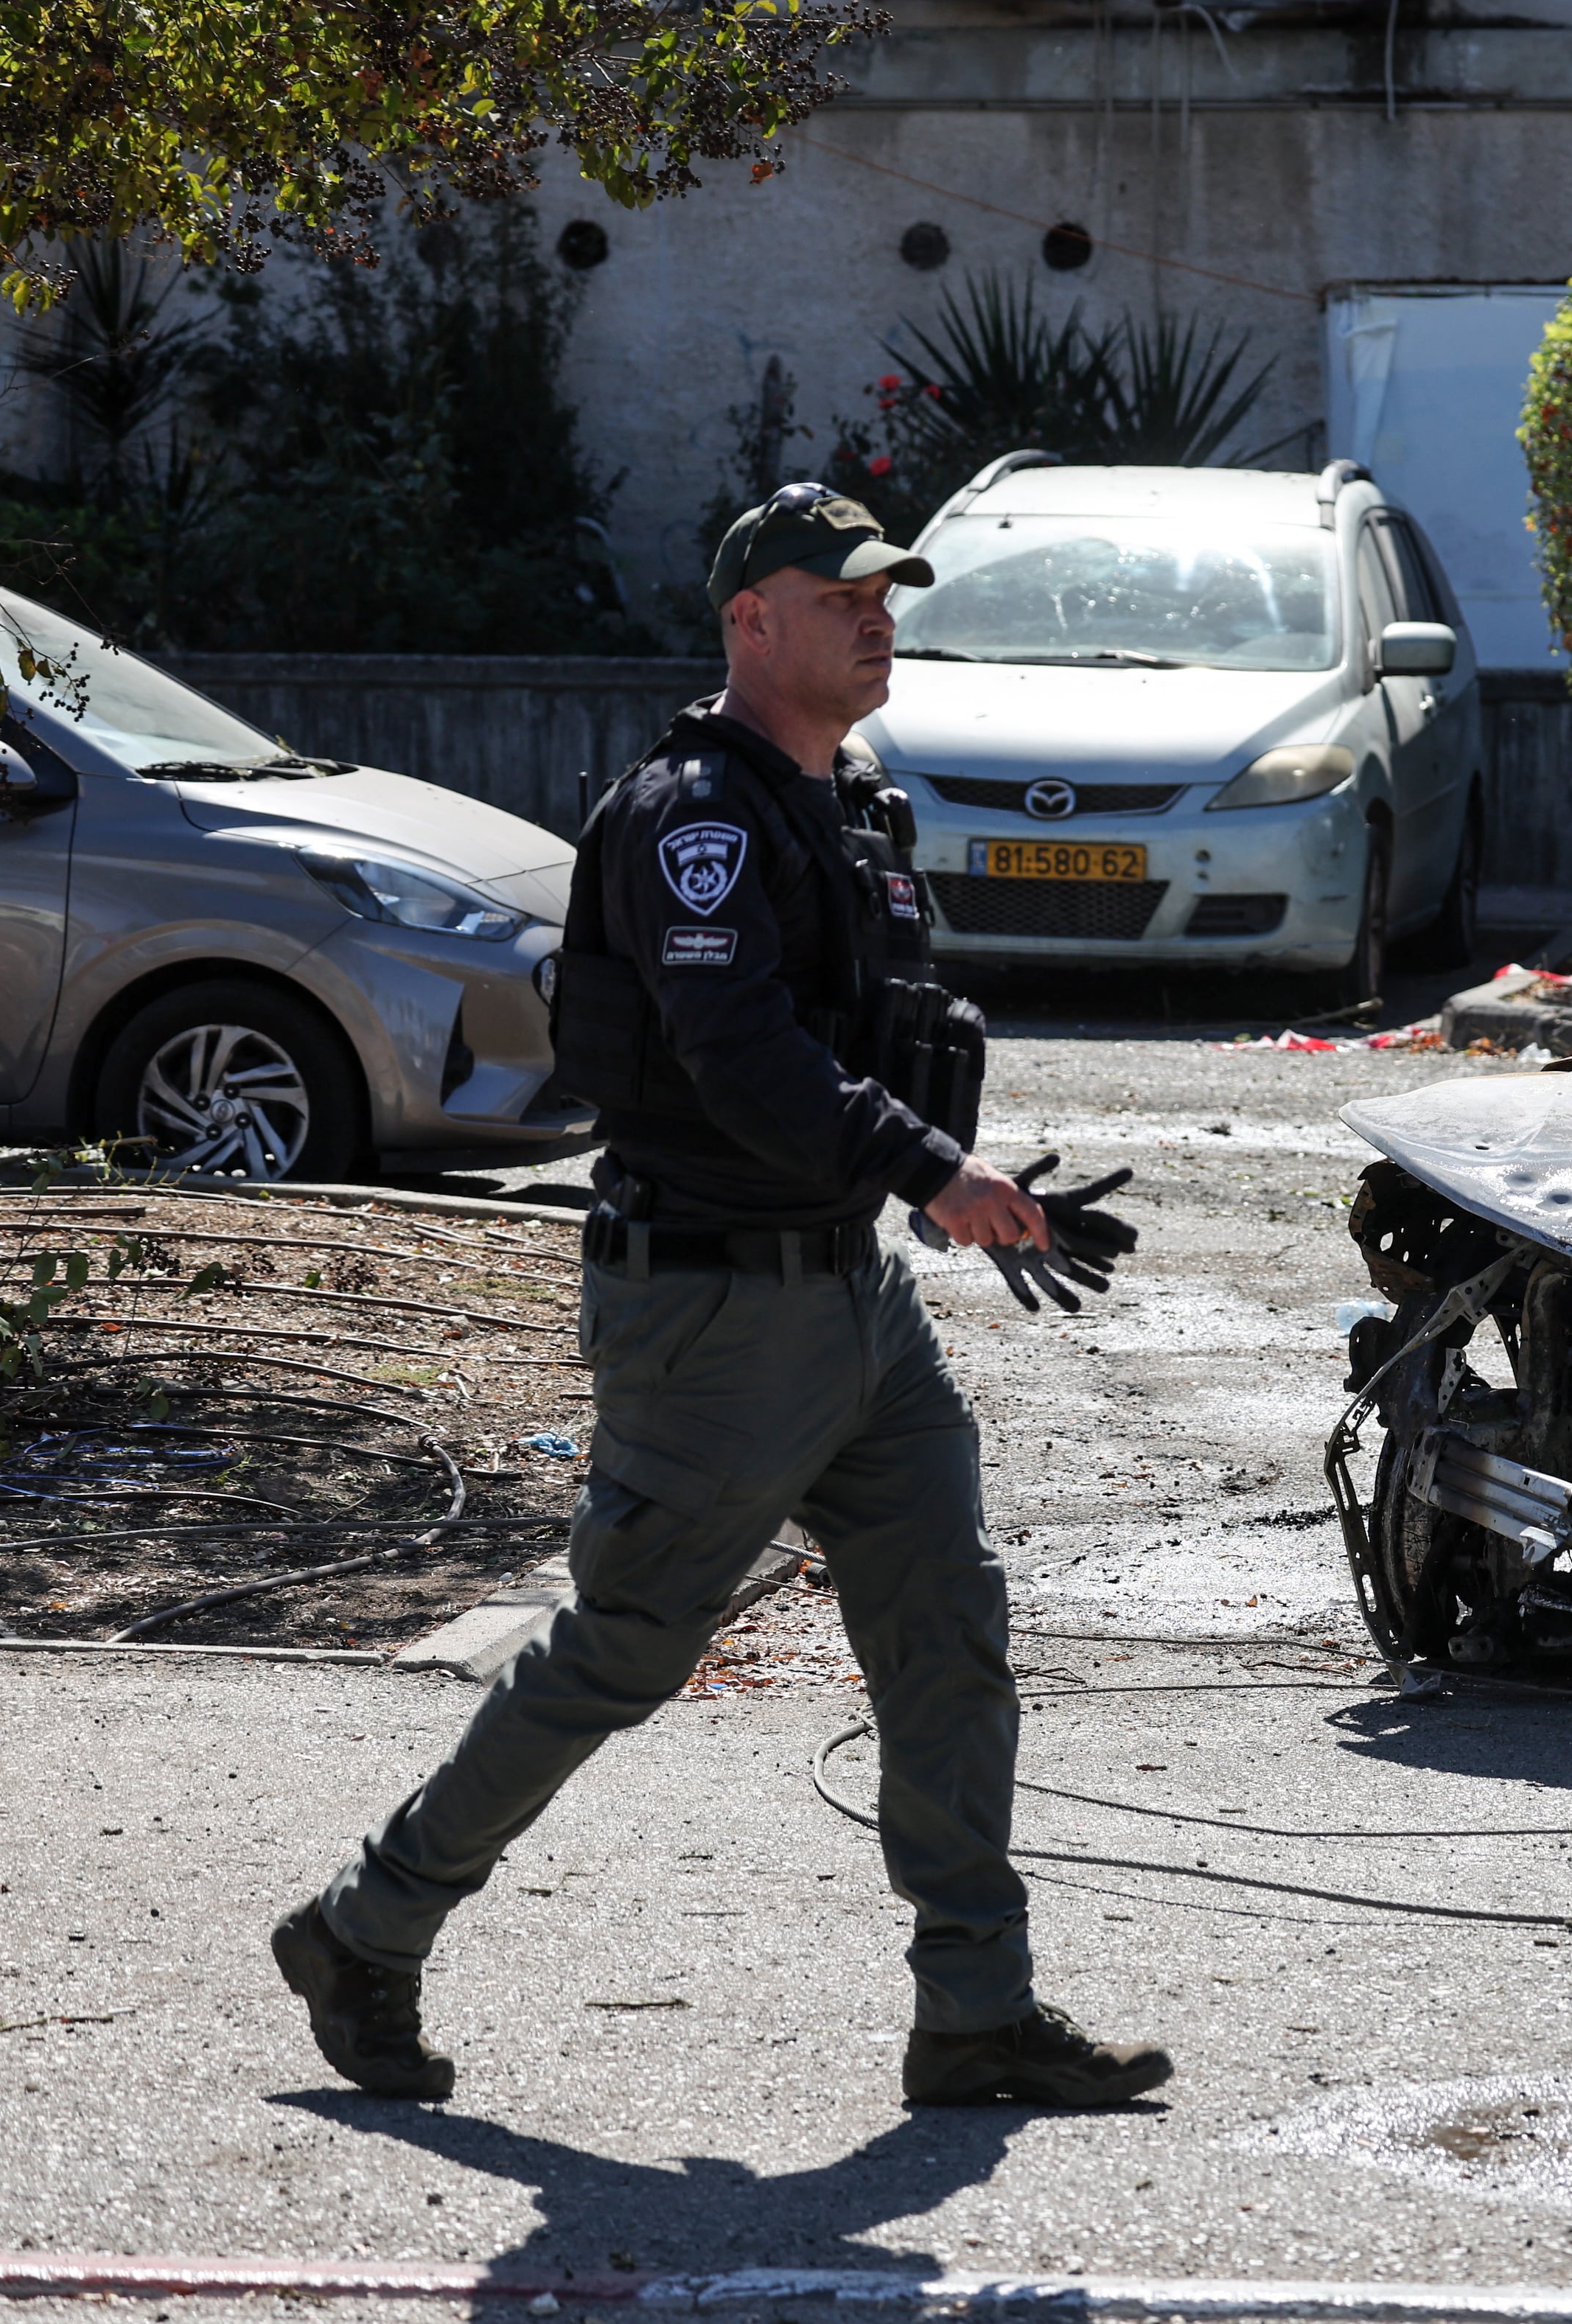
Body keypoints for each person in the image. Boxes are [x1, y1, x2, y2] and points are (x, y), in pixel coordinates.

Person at [270, 485, 1171, 2111]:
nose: (878, 617)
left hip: (852, 1300)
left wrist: (958, 1180)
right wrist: (931, 1171)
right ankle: (366, 1923)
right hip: (711, 1312)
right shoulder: (693, 815)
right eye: (843, 596)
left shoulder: (851, 804)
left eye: (890, 592)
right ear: (752, 617)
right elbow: (740, 1053)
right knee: (620, 1649)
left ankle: (974, 2010)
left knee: (947, 1627)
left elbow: (875, 1034)